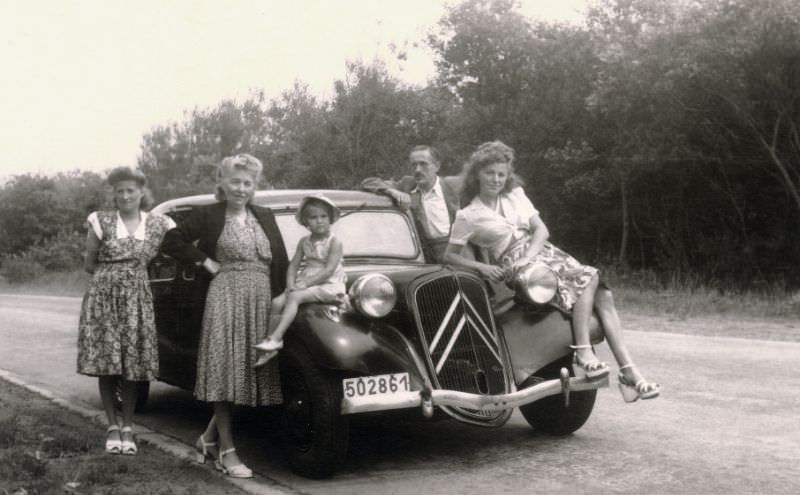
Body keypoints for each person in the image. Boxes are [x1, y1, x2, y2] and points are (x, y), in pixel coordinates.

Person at [443, 141, 660, 402]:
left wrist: (529, 256)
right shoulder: (468, 215)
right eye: (490, 173)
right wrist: (485, 268)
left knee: (604, 295)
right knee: (589, 276)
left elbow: (541, 230)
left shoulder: (516, 195)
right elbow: (449, 255)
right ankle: (584, 351)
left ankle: (629, 372)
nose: (496, 179)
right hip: (517, 267)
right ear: (477, 173)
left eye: (501, 174)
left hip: (541, 252)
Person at [160, 153, 288, 478]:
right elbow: (170, 239)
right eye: (235, 181)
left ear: (254, 186)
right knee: (226, 373)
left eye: (247, 183)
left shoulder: (265, 215)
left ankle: (208, 439)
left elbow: (281, 261)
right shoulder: (209, 215)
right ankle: (227, 453)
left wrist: (283, 299)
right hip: (226, 298)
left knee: (245, 373)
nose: (241, 188)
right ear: (223, 183)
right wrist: (205, 262)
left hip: (260, 301)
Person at [77, 167, 176, 455]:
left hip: (137, 298)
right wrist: (111, 282)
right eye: (119, 191)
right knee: (108, 362)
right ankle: (112, 425)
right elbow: (89, 263)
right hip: (103, 296)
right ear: (114, 194)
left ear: (142, 192)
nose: (124, 195)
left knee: (133, 362)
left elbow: (181, 246)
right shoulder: (100, 220)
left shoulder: (159, 224)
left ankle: (129, 427)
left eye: (130, 190)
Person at [253, 194, 346, 367]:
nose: (319, 221)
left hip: (329, 284)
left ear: (331, 219)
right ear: (306, 222)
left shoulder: (335, 242)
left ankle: (277, 337)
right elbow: (294, 265)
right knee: (276, 302)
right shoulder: (304, 241)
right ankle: (269, 344)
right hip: (307, 280)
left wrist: (304, 285)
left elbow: (328, 271)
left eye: (323, 216)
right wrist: (290, 284)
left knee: (295, 297)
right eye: (314, 217)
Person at [361, 145, 462, 263]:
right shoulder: (407, 185)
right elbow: (368, 182)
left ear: (437, 166)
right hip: (425, 258)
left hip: (455, 254)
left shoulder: (453, 186)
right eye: (414, 165)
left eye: (423, 164)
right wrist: (392, 191)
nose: (418, 170)